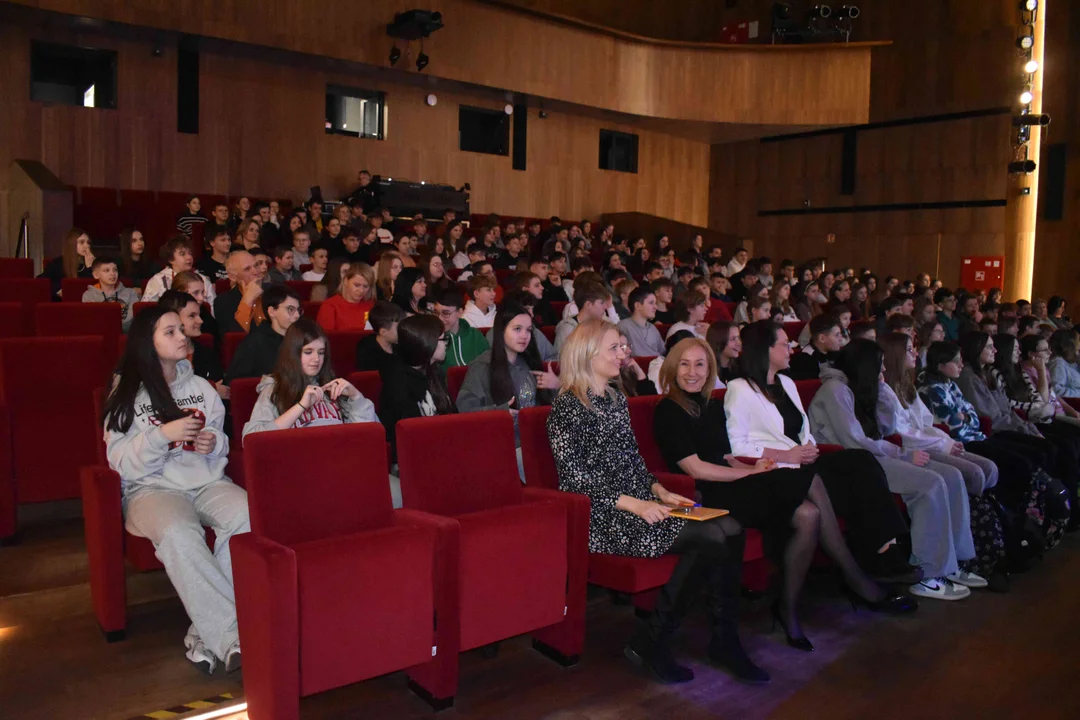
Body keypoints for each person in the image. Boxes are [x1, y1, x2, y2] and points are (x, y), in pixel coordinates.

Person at [547, 319, 768, 685]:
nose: (624, 353)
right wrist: (635, 504)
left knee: (732, 528)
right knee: (711, 537)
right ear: (588, 354)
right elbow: (575, 482)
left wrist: (659, 491)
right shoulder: (567, 408)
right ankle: (653, 640)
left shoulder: (616, 399)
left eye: (623, 346)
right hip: (605, 517)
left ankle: (724, 639)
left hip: (636, 504)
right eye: (615, 348)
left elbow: (632, 462)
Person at [655, 338, 913, 648]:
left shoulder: (710, 404)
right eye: (684, 364)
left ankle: (788, 610)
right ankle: (856, 579)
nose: (692, 372)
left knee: (809, 514)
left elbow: (724, 456)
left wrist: (753, 465)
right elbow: (695, 469)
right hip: (706, 494)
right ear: (672, 367)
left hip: (734, 481)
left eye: (700, 364)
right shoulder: (668, 409)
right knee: (807, 480)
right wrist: (749, 472)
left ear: (710, 369)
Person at [102, 306, 247, 674]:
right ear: (147, 344)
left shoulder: (200, 388)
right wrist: (160, 436)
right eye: (170, 331)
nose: (183, 336)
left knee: (248, 514)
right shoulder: (127, 393)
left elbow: (222, 440)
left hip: (207, 482)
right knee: (180, 531)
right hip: (150, 491)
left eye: (182, 329)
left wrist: (211, 443)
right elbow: (119, 460)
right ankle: (231, 634)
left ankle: (204, 633)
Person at [724, 321, 917, 582]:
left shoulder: (786, 383)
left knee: (860, 459)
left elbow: (803, 430)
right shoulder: (739, 388)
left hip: (803, 463)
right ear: (765, 350)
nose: (789, 348)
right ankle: (873, 561)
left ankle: (886, 547)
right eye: (783, 344)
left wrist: (809, 446)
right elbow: (738, 445)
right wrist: (786, 455)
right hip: (774, 471)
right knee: (852, 473)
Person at [808, 339, 982, 600]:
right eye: (879, 367)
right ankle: (929, 572)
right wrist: (903, 454)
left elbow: (888, 429)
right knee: (929, 484)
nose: (883, 372)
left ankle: (955, 562)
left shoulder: (859, 386)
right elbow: (853, 441)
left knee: (952, 476)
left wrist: (883, 391)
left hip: (873, 454)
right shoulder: (835, 390)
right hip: (854, 463)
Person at [919, 341, 1070, 551]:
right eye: (955, 361)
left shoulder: (951, 384)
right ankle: (1016, 520)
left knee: (1041, 452)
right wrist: (964, 417)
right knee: (1021, 463)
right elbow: (954, 424)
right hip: (965, 442)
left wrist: (965, 417)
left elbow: (971, 415)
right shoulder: (932, 389)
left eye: (961, 360)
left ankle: (1042, 514)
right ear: (940, 365)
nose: (961, 365)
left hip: (979, 434)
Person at [458, 304, 556, 478]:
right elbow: (465, 410)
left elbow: (548, 410)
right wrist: (499, 413)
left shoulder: (529, 363)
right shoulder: (482, 367)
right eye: (517, 329)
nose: (524, 336)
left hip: (536, 440)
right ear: (501, 331)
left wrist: (557, 386)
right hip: (503, 446)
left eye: (528, 330)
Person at [242, 318, 378, 443]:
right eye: (308, 352)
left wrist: (356, 397)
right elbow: (251, 439)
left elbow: (368, 434)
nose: (316, 359)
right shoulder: (274, 388)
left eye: (321, 352)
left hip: (337, 460)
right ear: (293, 354)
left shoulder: (331, 386)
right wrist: (301, 406)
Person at [379, 314, 454, 461]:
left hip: (439, 450)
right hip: (413, 458)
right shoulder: (397, 381)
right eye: (443, 339)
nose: (446, 344)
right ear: (427, 343)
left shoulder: (433, 371)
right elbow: (409, 433)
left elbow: (451, 416)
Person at [225, 285, 301, 383]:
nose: (297, 315)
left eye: (298, 310)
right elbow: (237, 384)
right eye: (291, 309)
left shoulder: (302, 339)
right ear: (272, 311)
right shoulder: (253, 343)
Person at [142, 237, 216, 306]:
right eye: (182, 254)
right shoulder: (158, 280)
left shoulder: (203, 279)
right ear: (170, 259)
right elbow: (146, 309)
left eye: (190, 253)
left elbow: (212, 308)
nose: (189, 257)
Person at [433, 285, 488, 371]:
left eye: (446, 313)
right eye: (436, 312)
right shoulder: (433, 337)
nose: (439, 318)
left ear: (459, 312)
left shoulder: (475, 335)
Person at [82, 256, 140, 332]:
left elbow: (131, 318)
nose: (112, 274)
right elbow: (91, 320)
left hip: (125, 334)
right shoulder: (89, 295)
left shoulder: (130, 293)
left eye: (115, 270)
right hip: (100, 335)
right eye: (107, 270)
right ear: (96, 275)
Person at [213, 250, 264, 335]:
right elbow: (234, 338)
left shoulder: (276, 290)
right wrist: (247, 301)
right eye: (247, 269)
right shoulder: (223, 302)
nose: (255, 271)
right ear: (233, 277)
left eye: (256, 265)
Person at [555, 280, 612, 353]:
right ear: (589, 305)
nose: (606, 307)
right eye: (601, 303)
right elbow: (565, 361)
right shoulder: (568, 330)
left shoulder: (605, 324)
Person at [315, 263, 376, 331]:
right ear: (346, 281)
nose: (361, 290)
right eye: (357, 285)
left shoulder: (371, 306)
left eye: (365, 286)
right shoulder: (330, 306)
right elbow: (326, 337)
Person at [39, 227, 95, 298]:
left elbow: (90, 287)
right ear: (72, 244)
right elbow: (42, 281)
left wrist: (90, 268)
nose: (87, 246)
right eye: (82, 242)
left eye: (88, 242)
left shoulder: (93, 263)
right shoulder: (58, 263)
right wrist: (58, 289)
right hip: (61, 303)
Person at [786, 314, 843, 381]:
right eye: (837, 335)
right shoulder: (805, 362)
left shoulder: (836, 354)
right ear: (822, 338)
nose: (841, 339)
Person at [356, 301, 405, 373]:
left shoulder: (402, 345)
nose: (403, 330)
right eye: (399, 328)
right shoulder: (367, 349)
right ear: (383, 332)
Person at [618, 286, 666, 358]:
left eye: (655, 303)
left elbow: (662, 351)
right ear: (637, 306)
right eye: (651, 303)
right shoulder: (623, 326)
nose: (655, 307)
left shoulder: (653, 328)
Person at [706, 321, 742, 387]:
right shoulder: (706, 370)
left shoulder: (742, 366)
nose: (739, 343)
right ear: (719, 342)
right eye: (733, 339)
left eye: (738, 337)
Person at [1047, 329, 1080, 398]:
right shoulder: (1058, 362)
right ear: (1070, 343)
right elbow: (1057, 390)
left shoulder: (1072, 360)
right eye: (1078, 340)